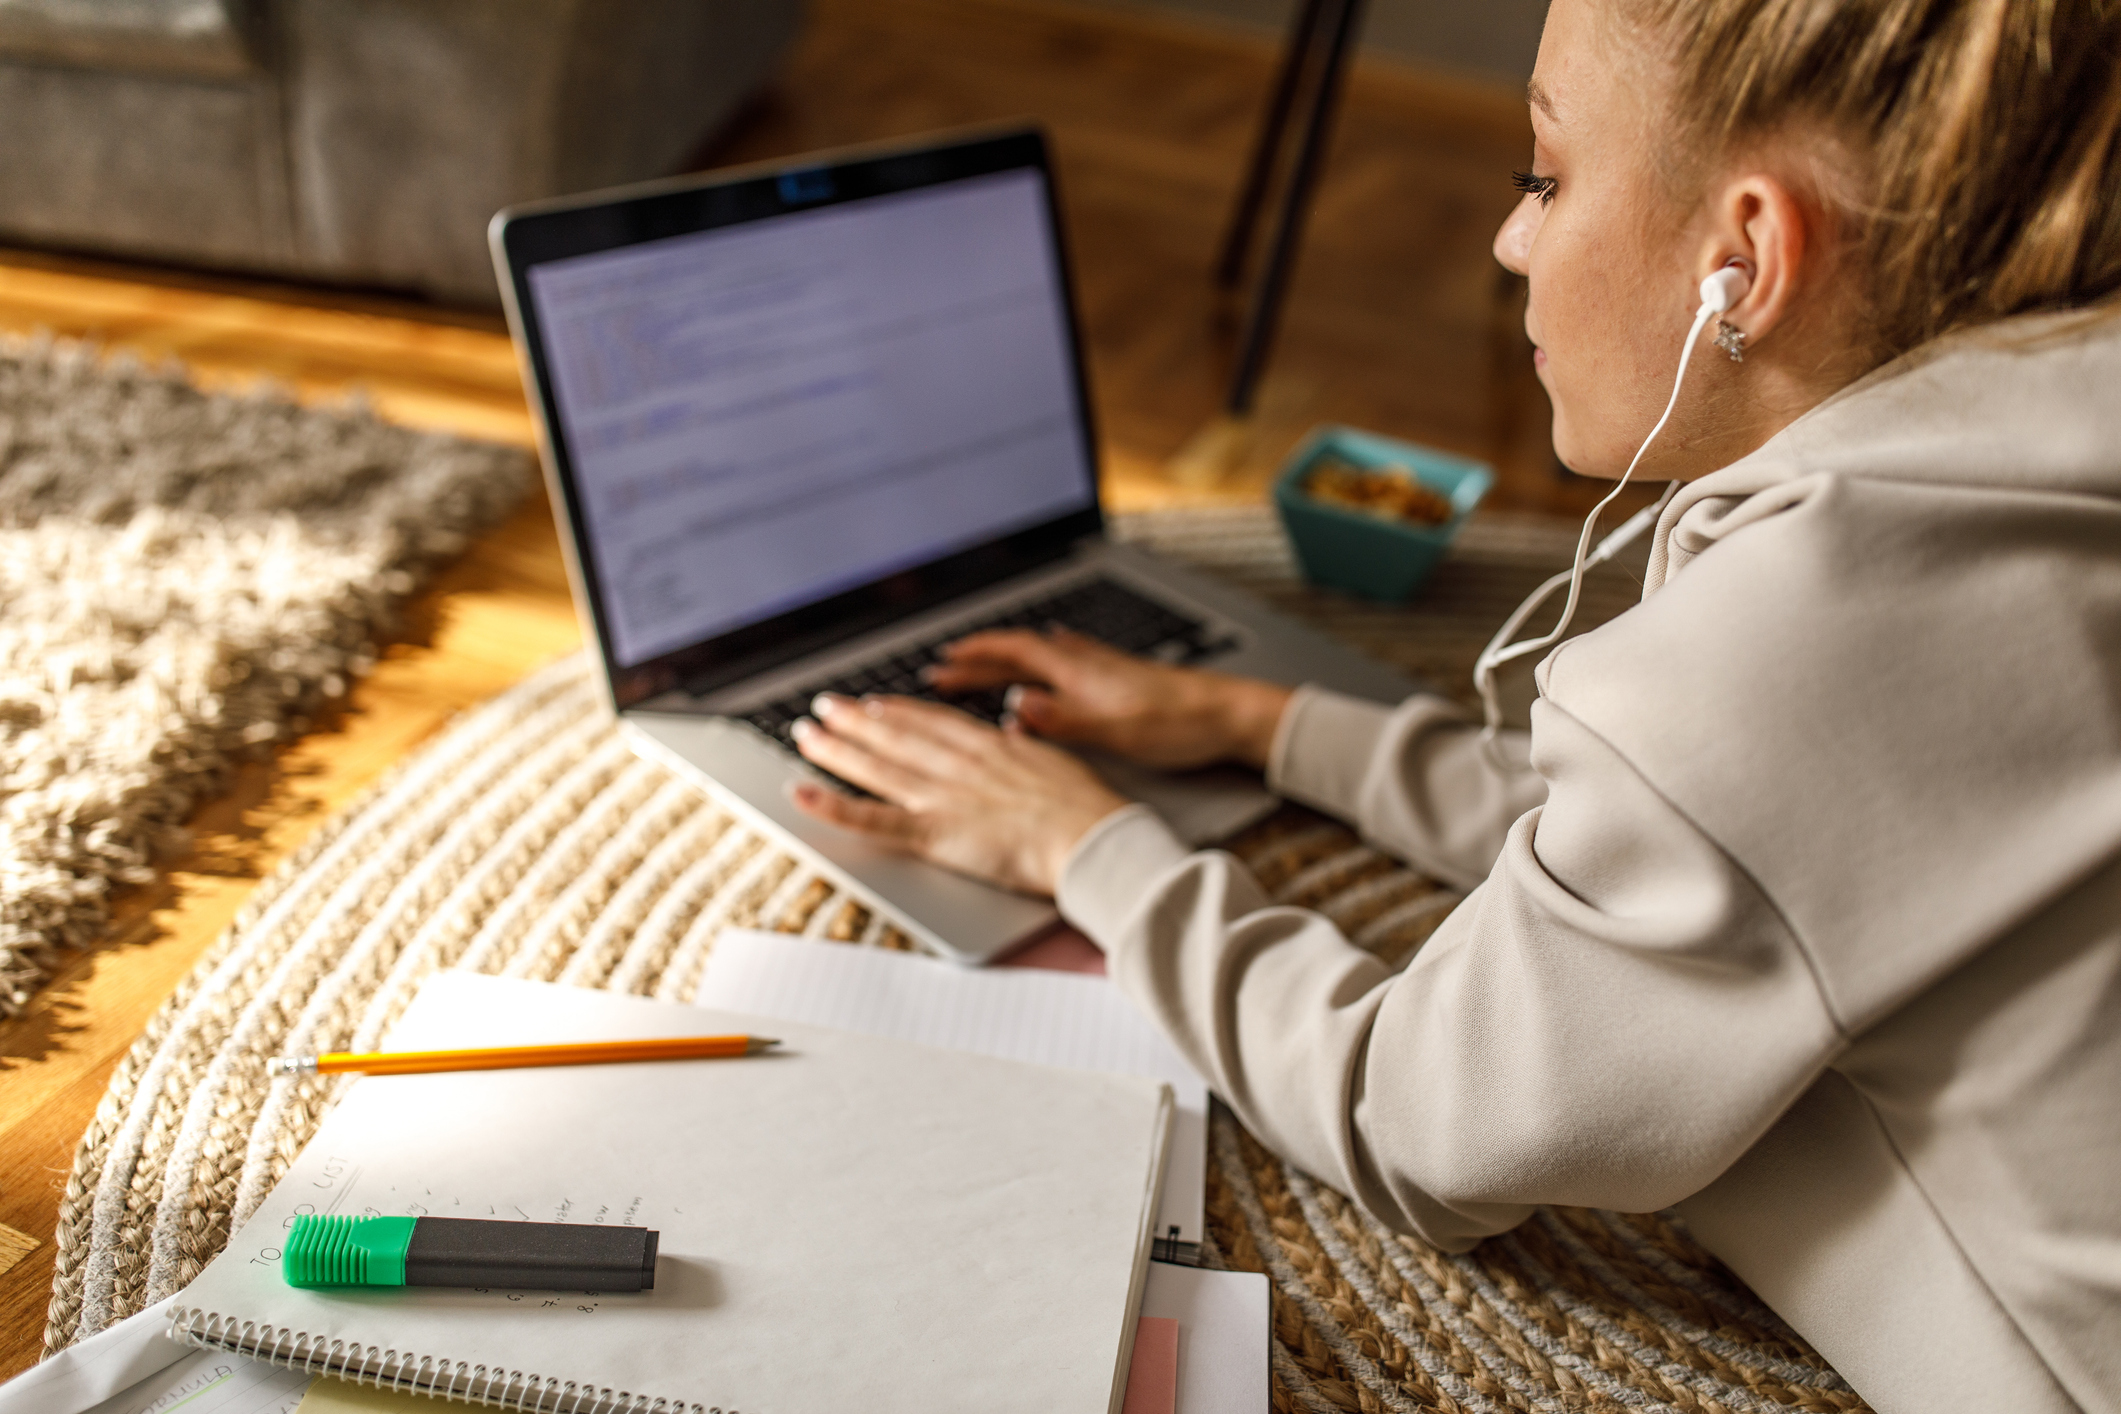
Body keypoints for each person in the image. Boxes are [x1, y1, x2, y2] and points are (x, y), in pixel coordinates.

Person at [785, 0, 2121, 1407]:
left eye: (1541, 179)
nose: (1510, 240)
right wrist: (1261, 723)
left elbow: (1411, 1123)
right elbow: (1697, 847)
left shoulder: (1810, 635)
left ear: (1745, 257)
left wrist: (1084, 849)